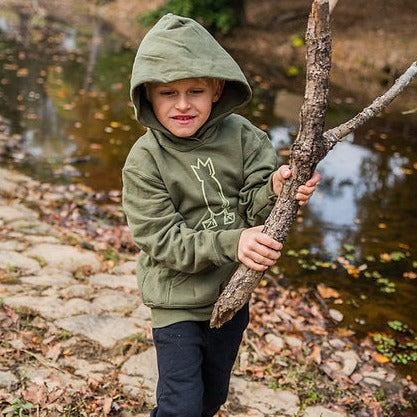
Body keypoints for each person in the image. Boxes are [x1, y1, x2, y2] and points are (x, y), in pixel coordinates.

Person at [122, 14, 320, 417]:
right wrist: (235, 241)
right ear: (147, 96)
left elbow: (257, 210)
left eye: (195, 90)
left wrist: (277, 191)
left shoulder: (245, 137)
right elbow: (162, 240)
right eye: (167, 93)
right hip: (176, 298)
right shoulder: (144, 162)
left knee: (212, 397)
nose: (181, 104)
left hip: (231, 295)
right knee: (181, 404)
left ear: (216, 88)